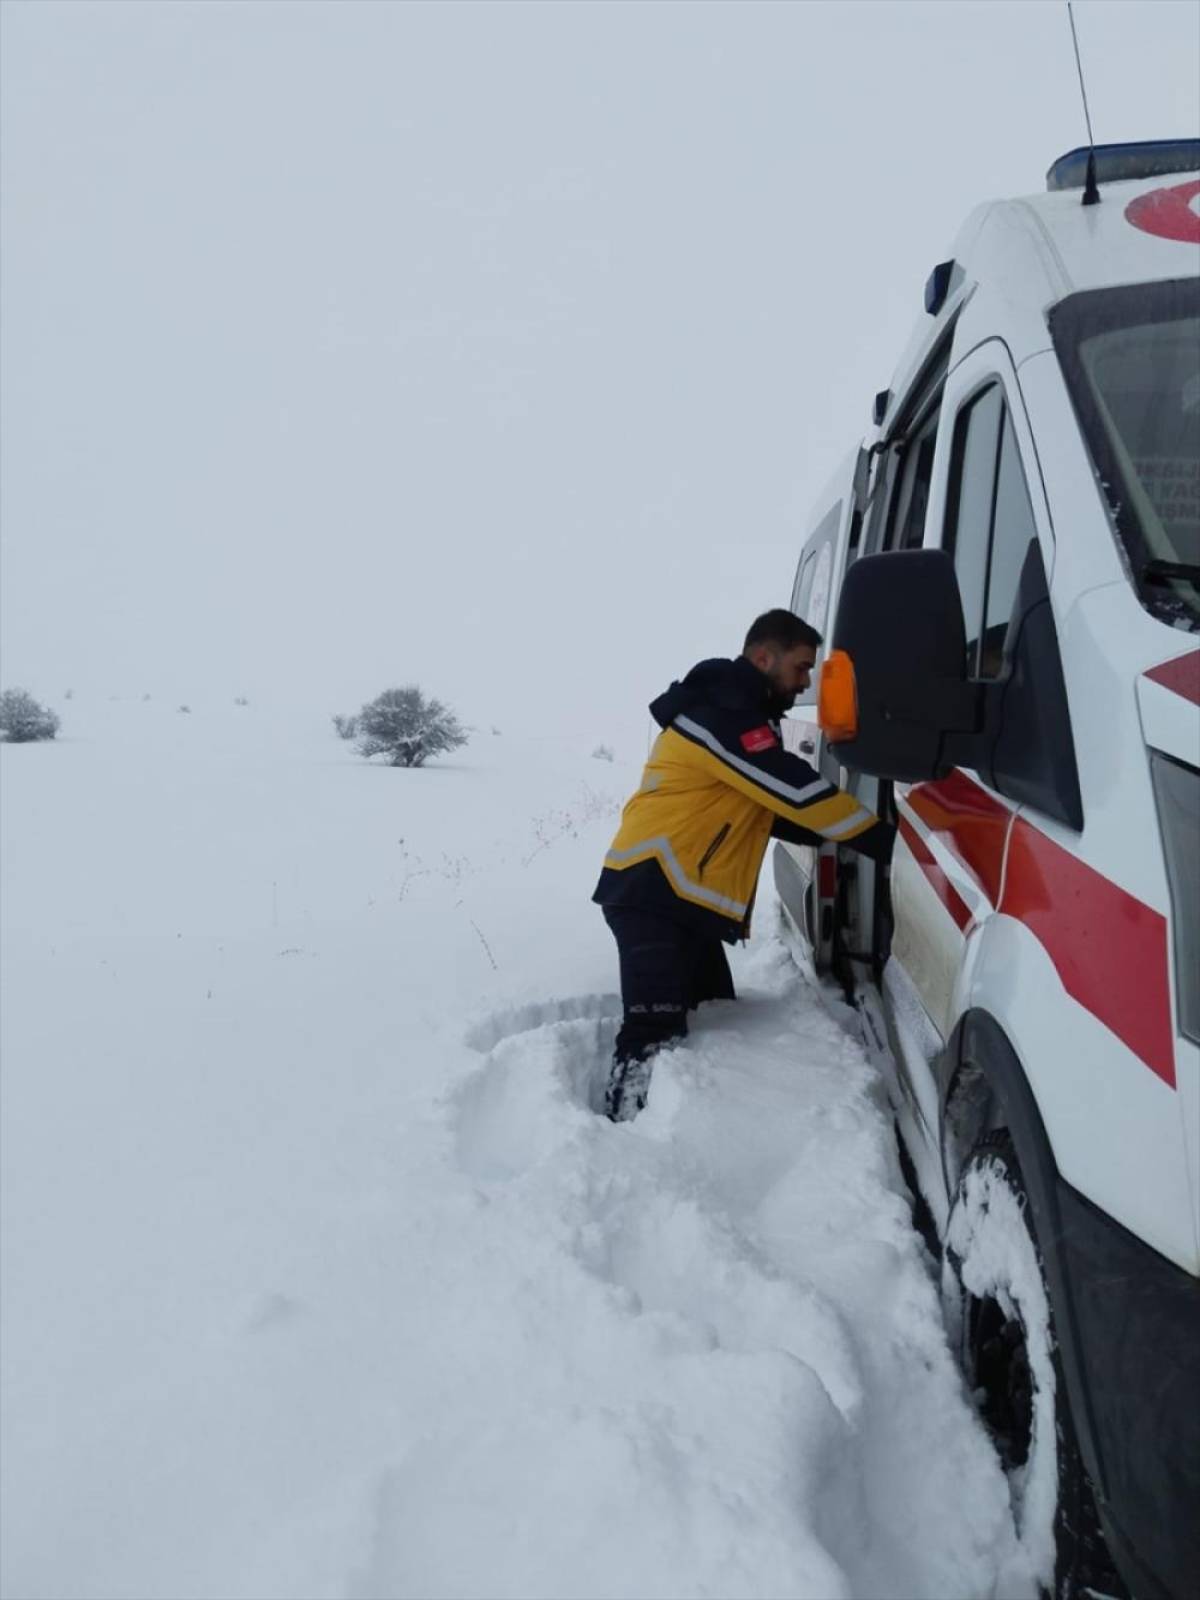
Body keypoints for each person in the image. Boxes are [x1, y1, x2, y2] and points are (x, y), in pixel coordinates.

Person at [593, 608, 891, 1121]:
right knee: (652, 1035)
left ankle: (682, 1131)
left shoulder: (741, 718)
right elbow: (792, 790)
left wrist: (837, 838)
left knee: (715, 1020)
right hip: (651, 893)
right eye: (800, 668)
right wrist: (886, 843)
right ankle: (621, 1139)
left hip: (683, 902)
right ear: (763, 657)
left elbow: (769, 811)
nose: (804, 685)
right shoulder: (716, 714)